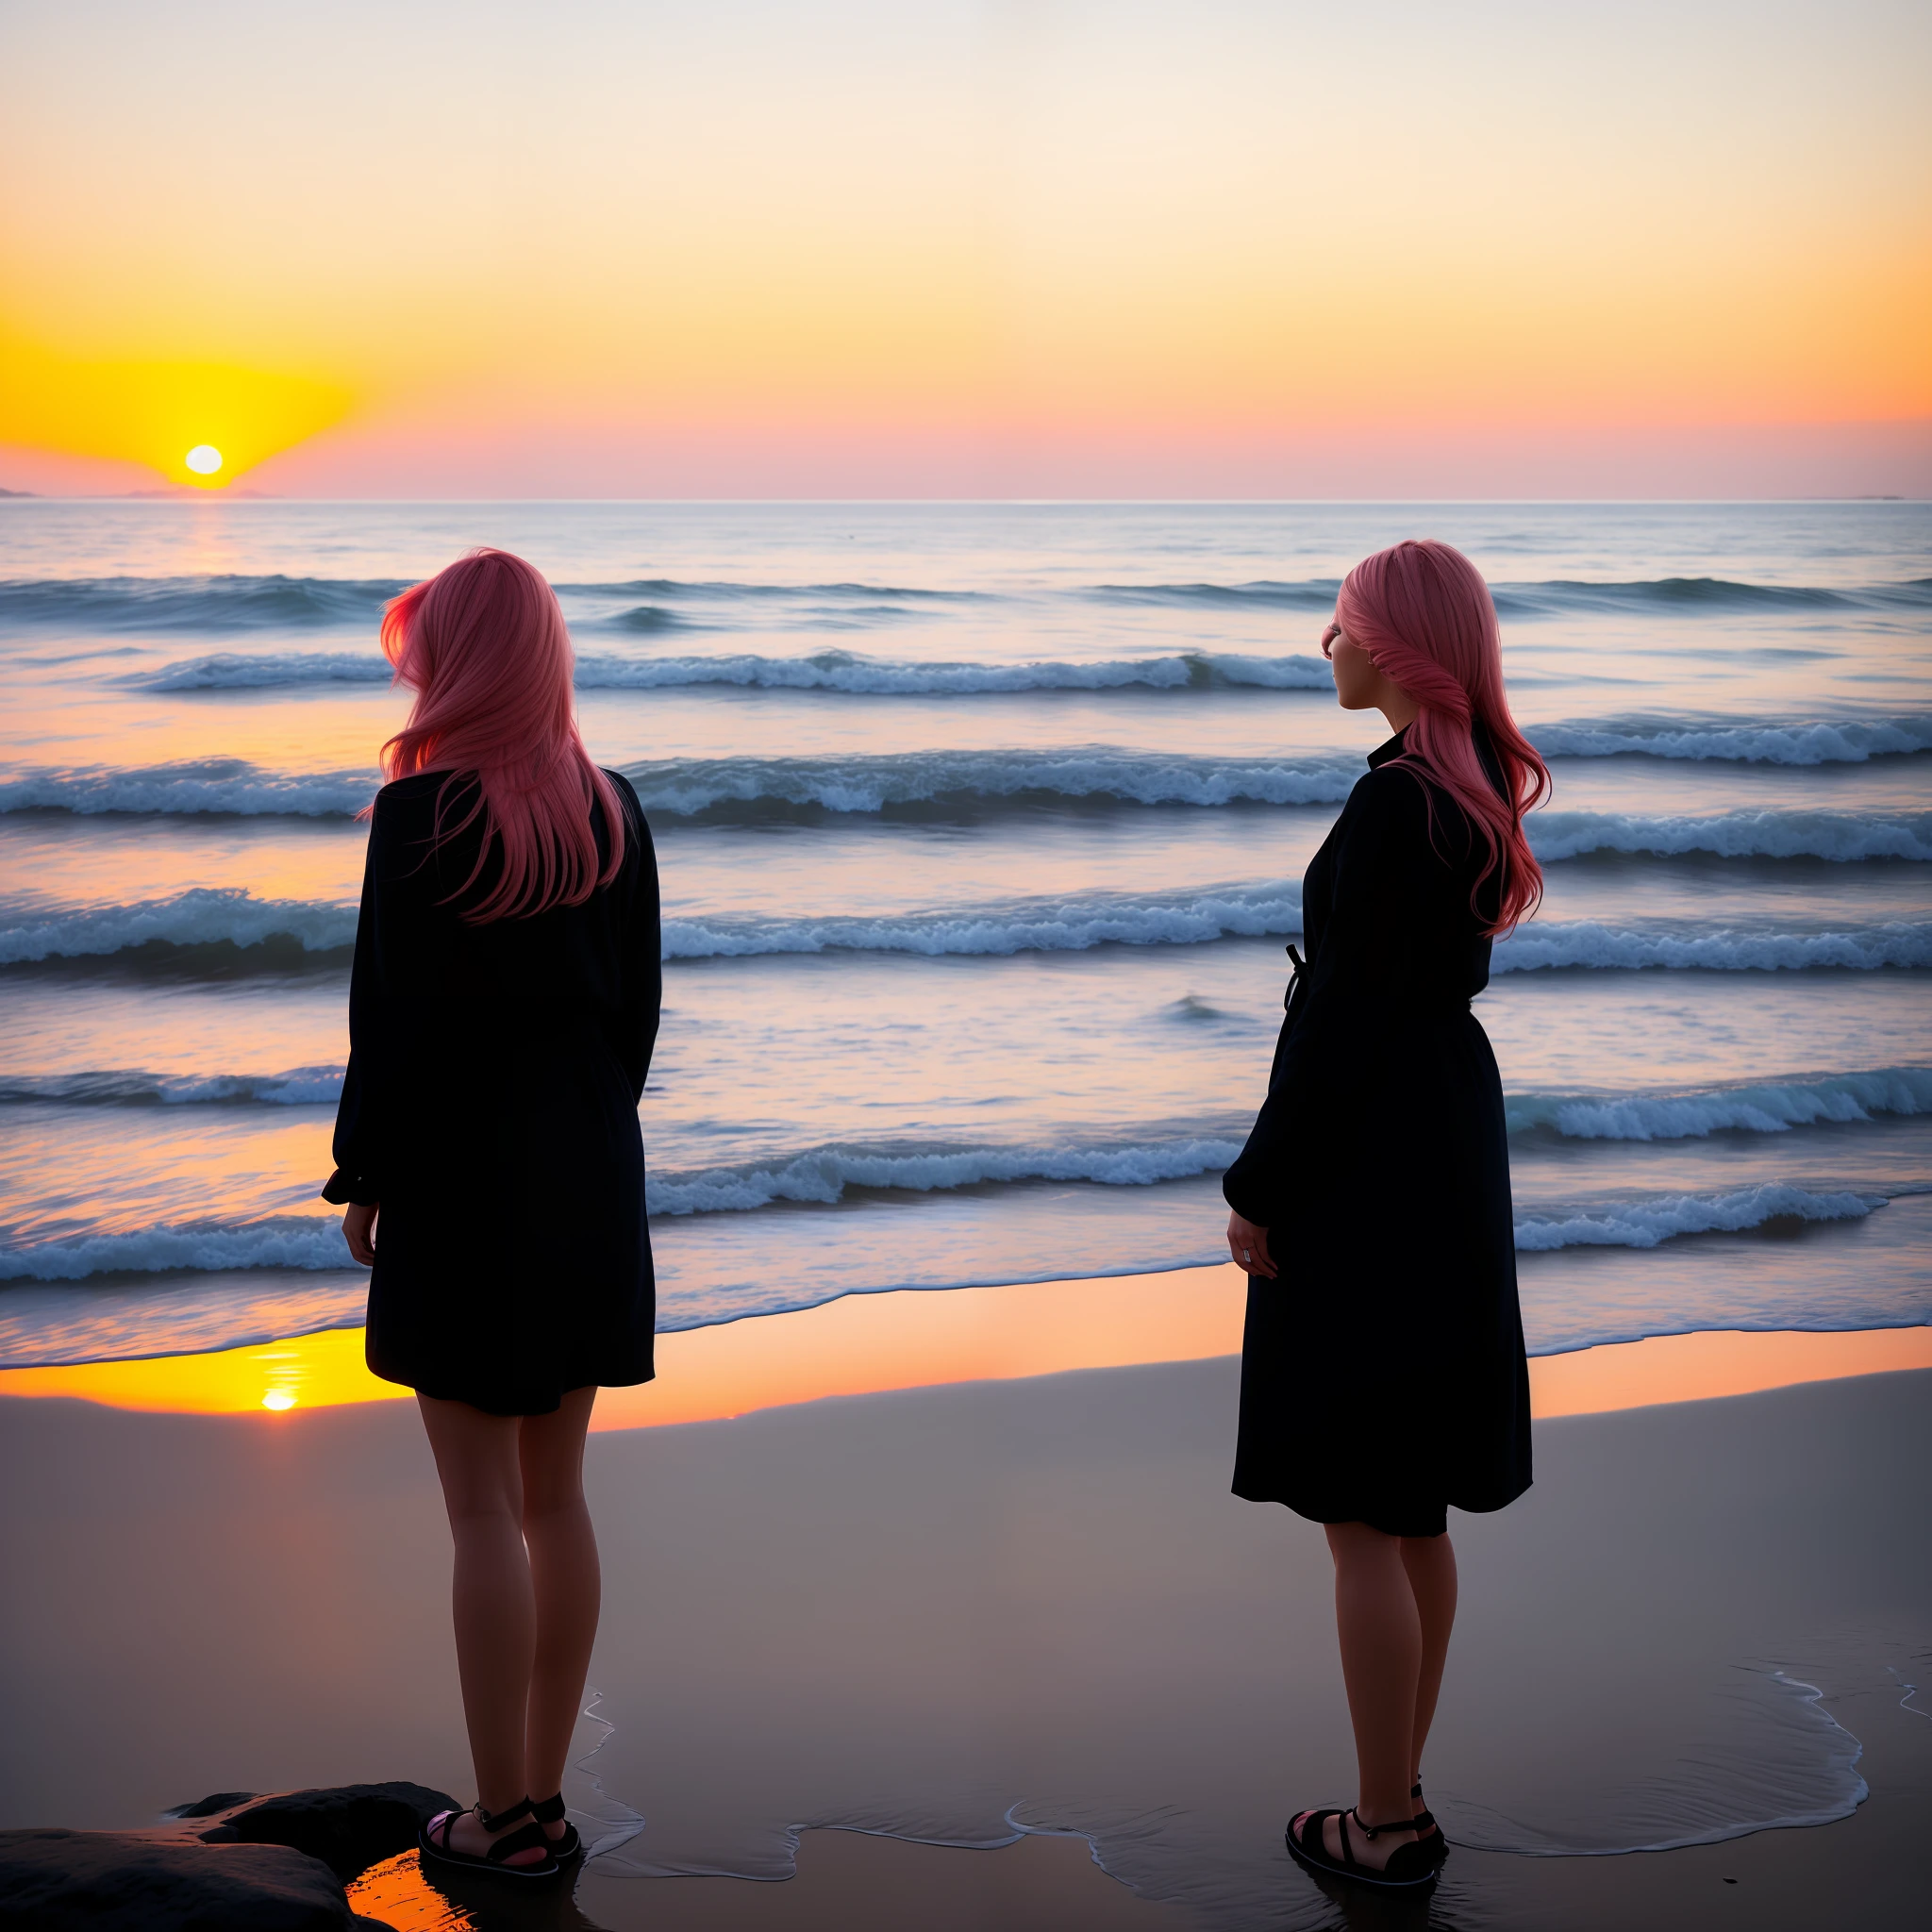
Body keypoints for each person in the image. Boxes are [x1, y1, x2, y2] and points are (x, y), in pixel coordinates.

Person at [322, 549, 660, 1881]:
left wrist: (367, 1174)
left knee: (477, 1517)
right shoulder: (614, 809)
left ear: (459, 661)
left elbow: (387, 1024)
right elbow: (632, 1017)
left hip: (461, 1184)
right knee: (555, 1502)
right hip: (586, 1174)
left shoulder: (419, 816)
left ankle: (499, 1815)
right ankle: (547, 1803)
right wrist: (589, 1148)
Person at [1222, 540, 1548, 1892]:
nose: (1326, 643)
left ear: (1399, 646)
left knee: (1362, 1509)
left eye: (1344, 623)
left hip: (1369, 1161)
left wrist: (1259, 1186)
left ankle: (1385, 1826)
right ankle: (1395, 1794)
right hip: (1445, 1143)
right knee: (1413, 1511)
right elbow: (1386, 1012)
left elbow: (1342, 1029)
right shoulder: (1463, 797)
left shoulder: (1390, 808)